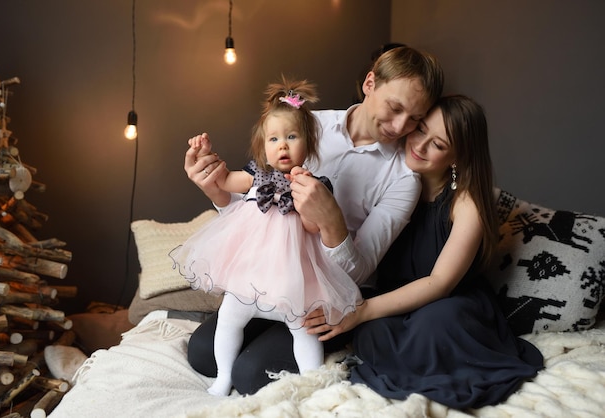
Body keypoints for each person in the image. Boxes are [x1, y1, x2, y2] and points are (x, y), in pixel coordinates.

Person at [183, 46, 445, 395]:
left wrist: (332, 223)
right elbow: (254, 204)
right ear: (370, 83)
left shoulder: (402, 179)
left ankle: (337, 357)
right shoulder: (303, 124)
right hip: (272, 272)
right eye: (395, 108)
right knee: (203, 354)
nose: (400, 127)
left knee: (250, 375)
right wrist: (215, 188)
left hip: (329, 294)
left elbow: (360, 272)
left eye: (414, 118)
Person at [306, 95, 544, 409]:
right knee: (371, 333)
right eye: (420, 131)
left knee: (435, 322)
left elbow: (440, 283)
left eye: (439, 144)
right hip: (396, 302)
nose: (420, 145)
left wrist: (361, 310)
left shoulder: (465, 201)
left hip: (448, 302)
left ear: (457, 157)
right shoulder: (395, 185)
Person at [170, 78, 363, 396]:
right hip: (249, 274)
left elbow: (315, 230)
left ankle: (313, 384)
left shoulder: (315, 185)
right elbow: (223, 180)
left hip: (291, 278)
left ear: (309, 144)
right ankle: (223, 378)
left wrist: (311, 207)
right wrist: (205, 156)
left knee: (303, 330)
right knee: (229, 319)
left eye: (291, 136)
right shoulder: (255, 174)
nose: (283, 145)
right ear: (263, 147)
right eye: (274, 139)